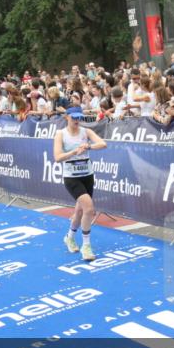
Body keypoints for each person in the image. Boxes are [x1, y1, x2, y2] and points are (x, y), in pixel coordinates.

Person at [53, 106, 107, 261]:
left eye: (79, 117)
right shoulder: (60, 134)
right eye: (73, 117)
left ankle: (69, 237)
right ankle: (86, 246)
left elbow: (103, 144)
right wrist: (73, 152)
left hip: (87, 176)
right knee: (89, 209)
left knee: (80, 212)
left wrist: (88, 146)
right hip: (72, 178)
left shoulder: (86, 132)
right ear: (67, 117)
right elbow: (57, 157)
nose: (77, 120)